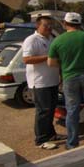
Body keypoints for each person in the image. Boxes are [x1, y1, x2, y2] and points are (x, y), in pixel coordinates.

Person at [47, 12, 84, 149]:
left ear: (65, 24)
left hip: (69, 77)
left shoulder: (58, 40)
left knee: (72, 110)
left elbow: (51, 63)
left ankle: (72, 142)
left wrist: (65, 64)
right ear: (79, 24)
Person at [22, 16, 63, 150]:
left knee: (50, 109)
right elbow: (27, 59)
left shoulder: (51, 39)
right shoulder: (32, 40)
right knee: (43, 111)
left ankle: (51, 134)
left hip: (52, 80)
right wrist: (48, 57)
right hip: (40, 82)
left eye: (51, 25)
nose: (49, 28)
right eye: (46, 25)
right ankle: (41, 139)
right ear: (38, 26)